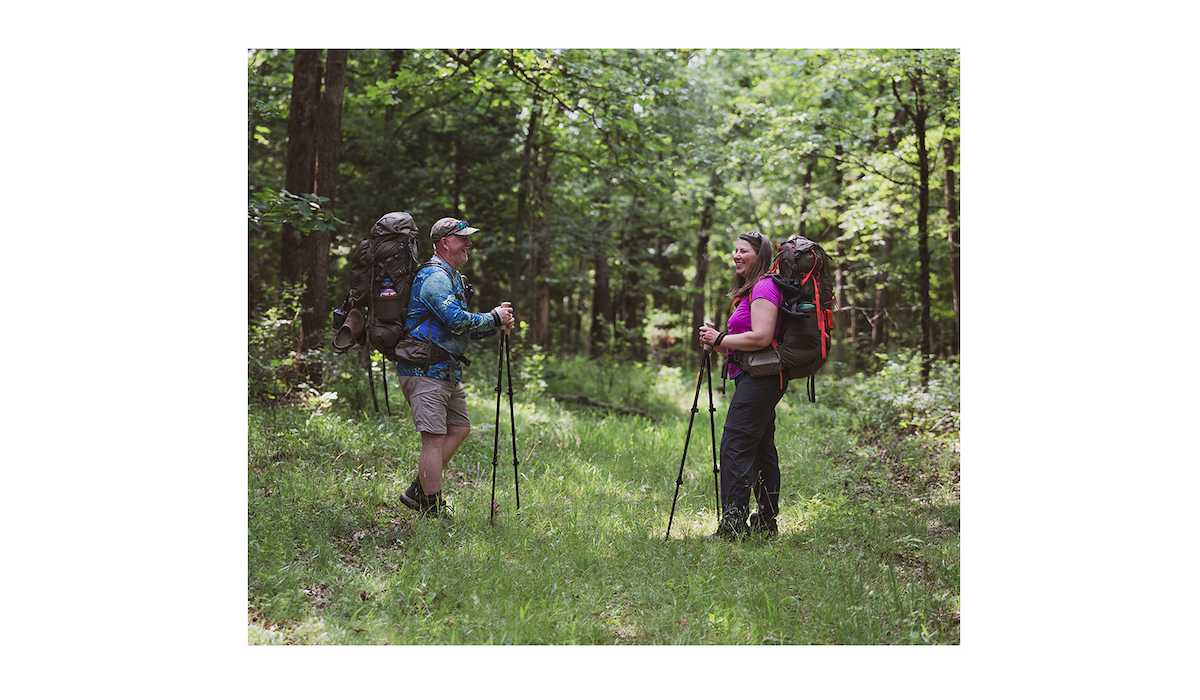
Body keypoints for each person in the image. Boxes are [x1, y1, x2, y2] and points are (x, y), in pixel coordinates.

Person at [396, 217, 515, 518]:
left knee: (460, 428)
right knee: (433, 440)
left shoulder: (452, 278)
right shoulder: (434, 278)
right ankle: (432, 509)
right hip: (425, 371)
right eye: (463, 239)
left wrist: (495, 325)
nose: (469, 244)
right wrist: (494, 317)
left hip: (444, 371)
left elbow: (466, 329)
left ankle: (417, 491)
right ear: (445, 242)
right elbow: (458, 320)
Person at [698, 231, 787, 540]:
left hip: (761, 381)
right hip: (754, 377)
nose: (736, 255)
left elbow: (762, 337)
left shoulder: (764, 287)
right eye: (734, 250)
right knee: (761, 449)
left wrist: (720, 339)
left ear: (759, 255)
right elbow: (744, 345)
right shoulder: (750, 290)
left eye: (743, 250)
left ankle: (733, 526)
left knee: (734, 445)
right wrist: (717, 342)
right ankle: (766, 523)